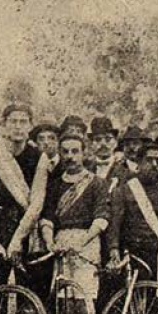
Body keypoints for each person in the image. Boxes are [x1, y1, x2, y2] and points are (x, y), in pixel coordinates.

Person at [0, 103, 50, 284]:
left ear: (30, 126)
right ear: (4, 124)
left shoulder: (40, 157)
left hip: (28, 230)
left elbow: (37, 204)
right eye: (13, 121)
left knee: (32, 291)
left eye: (23, 122)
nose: (18, 126)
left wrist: (17, 240)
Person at [39, 130, 111, 304]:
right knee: (62, 301)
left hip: (87, 244)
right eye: (65, 152)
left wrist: (82, 242)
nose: (70, 156)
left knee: (85, 301)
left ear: (84, 153)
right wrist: (50, 242)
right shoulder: (55, 185)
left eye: (75, 151)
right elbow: (47, 217)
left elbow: (101, 218)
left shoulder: (97, 183)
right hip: (61, 243)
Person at [107, 142, 158, 282]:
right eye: (149, 160)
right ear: (138, 162)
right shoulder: (124, 191)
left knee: (157, 300)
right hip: (133, 255)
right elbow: (115, 224)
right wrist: (113, 249)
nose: (154, 164)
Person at [107, 126, 145, 192]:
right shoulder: (116, 167)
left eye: (135, 143)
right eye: (127, 144)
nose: (131, 147)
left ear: (143, 145)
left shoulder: (147, 165)